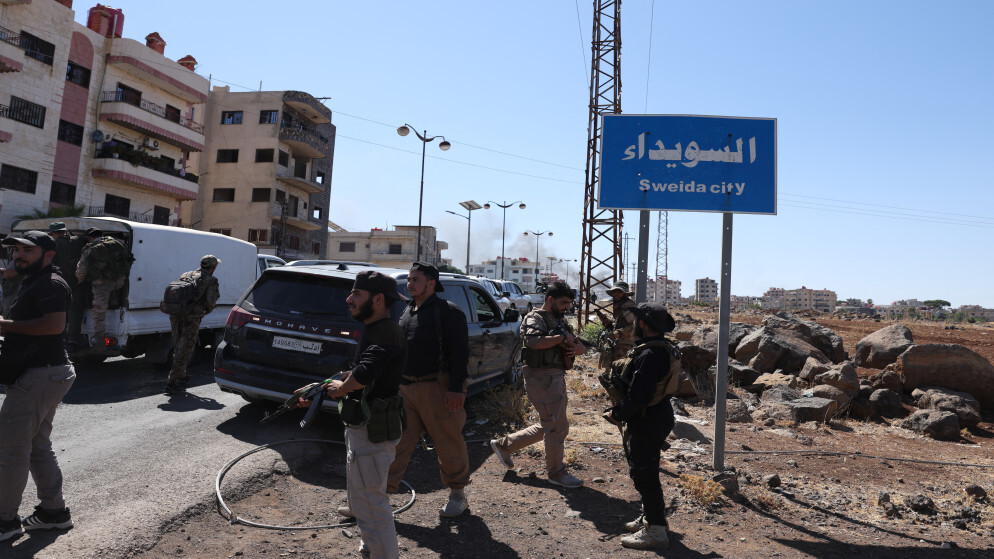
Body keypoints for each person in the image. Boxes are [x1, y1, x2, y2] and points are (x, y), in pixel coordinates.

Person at [298, 270, 407, 559]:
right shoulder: (377, 327)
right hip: (364, 426)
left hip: (373, 430)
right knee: (361, 498)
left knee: (372, 502)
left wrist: (342, 388)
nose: (349, 299)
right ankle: (371, 546)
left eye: (357, 294)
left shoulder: (386, 330)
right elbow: (363, 371)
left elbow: (366, 371)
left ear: (379, 299)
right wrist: (321, 387)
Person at [0, 231, 76, 542]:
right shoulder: (34, 280)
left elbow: (54, 325)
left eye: (27, 250)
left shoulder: (50, 284)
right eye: (16, 250)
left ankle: (5, 521)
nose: (18, 254)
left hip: (39, 376)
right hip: (46, 374)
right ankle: (53, 513)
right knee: (36, 446)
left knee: (10, 450)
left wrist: (3, 325)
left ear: (48, 254)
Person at [386, 262, 471, 517]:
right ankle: (378, 497)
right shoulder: (408, 310)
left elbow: (460, 354)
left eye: (416, 280)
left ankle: (458, 495)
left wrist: (456, 389)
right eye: (409, 279)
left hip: (437, 389)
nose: (410, 284)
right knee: (396, 445)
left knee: (448, 442)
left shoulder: (449, 312)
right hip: (405, 389)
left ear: (431, 283)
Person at [490, 280, 586, 488]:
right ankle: (556, 473)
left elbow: (577, 344)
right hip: (541, 377)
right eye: (563, 302)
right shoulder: (535, 318)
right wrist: (562, 337)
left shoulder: (558, 319)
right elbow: (534, 342)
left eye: (569, 303)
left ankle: (505, 446)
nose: (566, 307)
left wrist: (578, 348)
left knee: (551, 423)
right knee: (556, 426)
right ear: (550, 299)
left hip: (555, 376)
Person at [602, 302, 678, 550]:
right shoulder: (662, 348)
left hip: (647, 418)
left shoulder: (649, 355)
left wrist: (617, 413)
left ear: (642, 324)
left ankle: (656, 531)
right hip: (657, 414)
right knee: (646, 471)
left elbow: (639, 397)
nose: (634, 324)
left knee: (645, 475)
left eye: (636, 321)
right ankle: (651, 518)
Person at [163, 255, 221, 395]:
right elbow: (211, 301)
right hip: (191, 317)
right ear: (213, 267)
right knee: (185, 349)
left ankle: (182, 376)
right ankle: (172, 382)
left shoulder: (186, 274)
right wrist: (206, 310)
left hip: (175, 313)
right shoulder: (211, 280)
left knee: (178, 346)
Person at [75, 228, 131, 353]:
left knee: (99, 314)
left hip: (101, 285)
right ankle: (114, 301)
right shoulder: (119, 243)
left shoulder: (90, 248)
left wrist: (79, 280)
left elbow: (81, 270)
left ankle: (100, 344)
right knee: (113, 297)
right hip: (119, 282)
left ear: (90, 237)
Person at [48, 222, 85, 350]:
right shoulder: (78, 240)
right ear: (65, 231)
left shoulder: (54, 245)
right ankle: (73, 340)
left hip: (60, 284)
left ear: (52, 233)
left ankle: (58, 339)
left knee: (58, 311)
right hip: (78, 283)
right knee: (75, 312)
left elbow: (50, 265)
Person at [604, 280, 638, 362]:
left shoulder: (628, 306)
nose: (616, 294)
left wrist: (618, 333)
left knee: (622, 366)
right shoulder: (619, 304)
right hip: (618, 343)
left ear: (626, 294)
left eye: (619, 292)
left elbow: (634, 325)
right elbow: (620, 322)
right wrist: (608, 323)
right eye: (614, 292)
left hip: (626, 345)